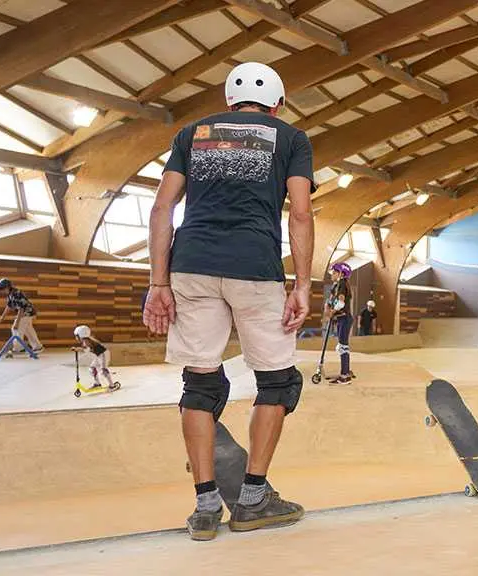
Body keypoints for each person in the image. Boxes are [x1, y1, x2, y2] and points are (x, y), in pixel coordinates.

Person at [143, 61, 315, 541]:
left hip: (191, 265)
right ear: (277, 104)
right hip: (255, 268)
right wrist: (302, 283)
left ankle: (204, 508)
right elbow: (300, 214)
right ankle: (254, 498)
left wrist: (159, 283)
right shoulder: (291, 138)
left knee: (199, 386)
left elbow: (162, 207)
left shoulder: (192, 133)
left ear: (228, 101)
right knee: (278, 383)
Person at [0, 278, 43, 354]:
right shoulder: (10, 294)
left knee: (16, 329)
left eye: (3, 289)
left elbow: (21, 309)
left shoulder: (16, 293)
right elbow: (8, 306)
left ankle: (18, 348)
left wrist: (17, 323)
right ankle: (38, 346)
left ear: (8, 287)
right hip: (27, 313)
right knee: (28, 330)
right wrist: (2, 317)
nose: (3, 291)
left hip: (26, 312)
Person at [326, 261, 355, 385]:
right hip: (342, 318)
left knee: (343, 347)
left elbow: (341, 303)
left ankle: (344, 376)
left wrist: (332, 311)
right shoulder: (338, 285)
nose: (332, 274)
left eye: (334, 272)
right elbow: (333, 298)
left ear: (341, 274)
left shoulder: (342, 283)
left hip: (344, 318)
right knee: (342, 346)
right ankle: (346, 371)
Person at [73, 325, 118, 390]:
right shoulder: (86, 341)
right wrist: (77, 349)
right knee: (92, 369)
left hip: (103, 354)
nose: (76, 338)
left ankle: (112, 385)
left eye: (77, 336)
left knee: (103, 370)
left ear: (81, 335)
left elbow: (86, 350)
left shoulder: (87, 341)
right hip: (99, 355)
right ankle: (97, 384)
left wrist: (77, 349)